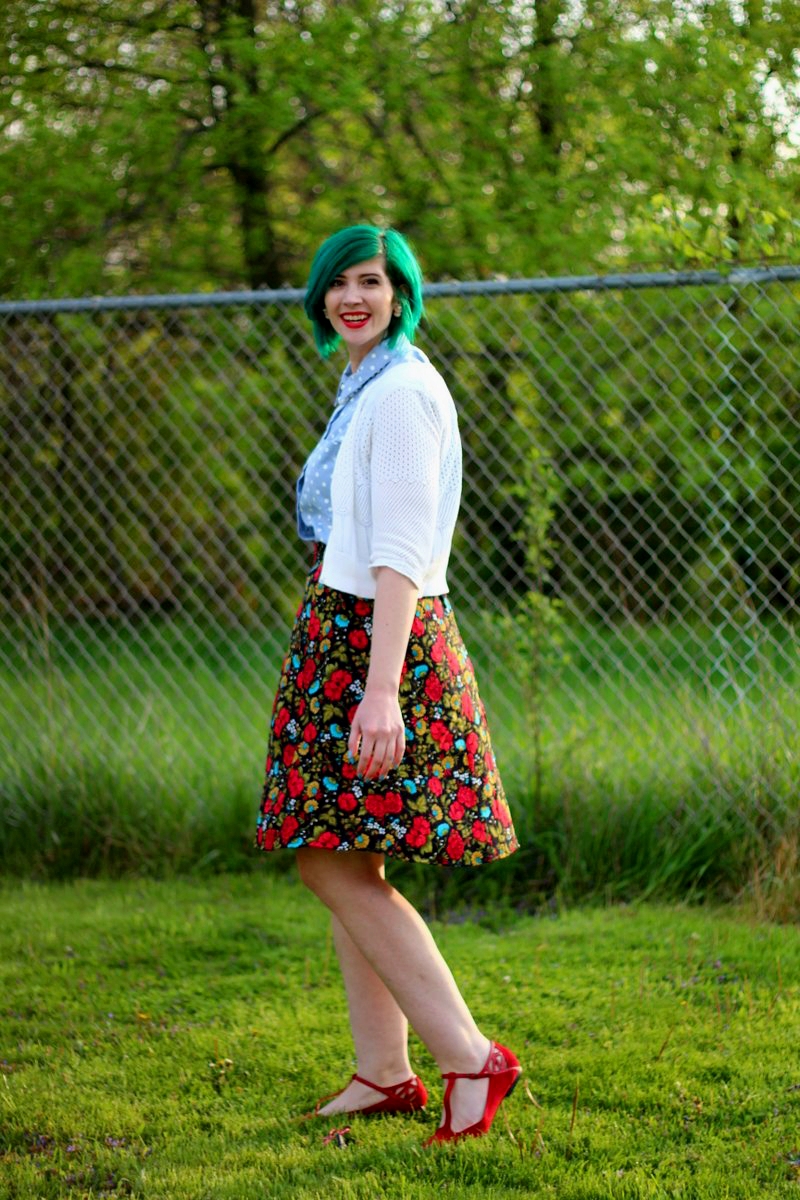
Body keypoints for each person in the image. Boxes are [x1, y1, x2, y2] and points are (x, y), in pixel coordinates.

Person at [255, 224, 520, 1145]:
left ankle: (469, 1059)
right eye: (338, 284)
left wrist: (380, 690)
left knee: (328, 859)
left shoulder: (404, 392)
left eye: (370, 281)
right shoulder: (365, 384)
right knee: (347, 852)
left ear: (401, 293)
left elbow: (403, 552)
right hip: (345, 631)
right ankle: (384, 1073)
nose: (351, 297)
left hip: (380, 642)